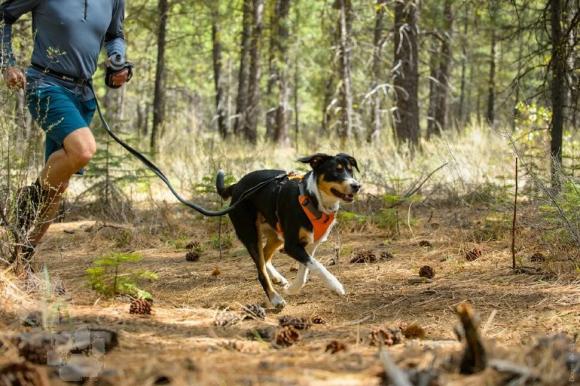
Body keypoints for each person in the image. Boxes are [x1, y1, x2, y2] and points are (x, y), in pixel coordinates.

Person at [0, 0, 131, 267]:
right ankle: (26, 203)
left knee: (58, 187)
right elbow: (4, 16)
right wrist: (7, 64)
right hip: (45, 83)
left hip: (83, 93)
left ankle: (19, 261)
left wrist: (118, 63)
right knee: (83, 150)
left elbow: (115, 35)